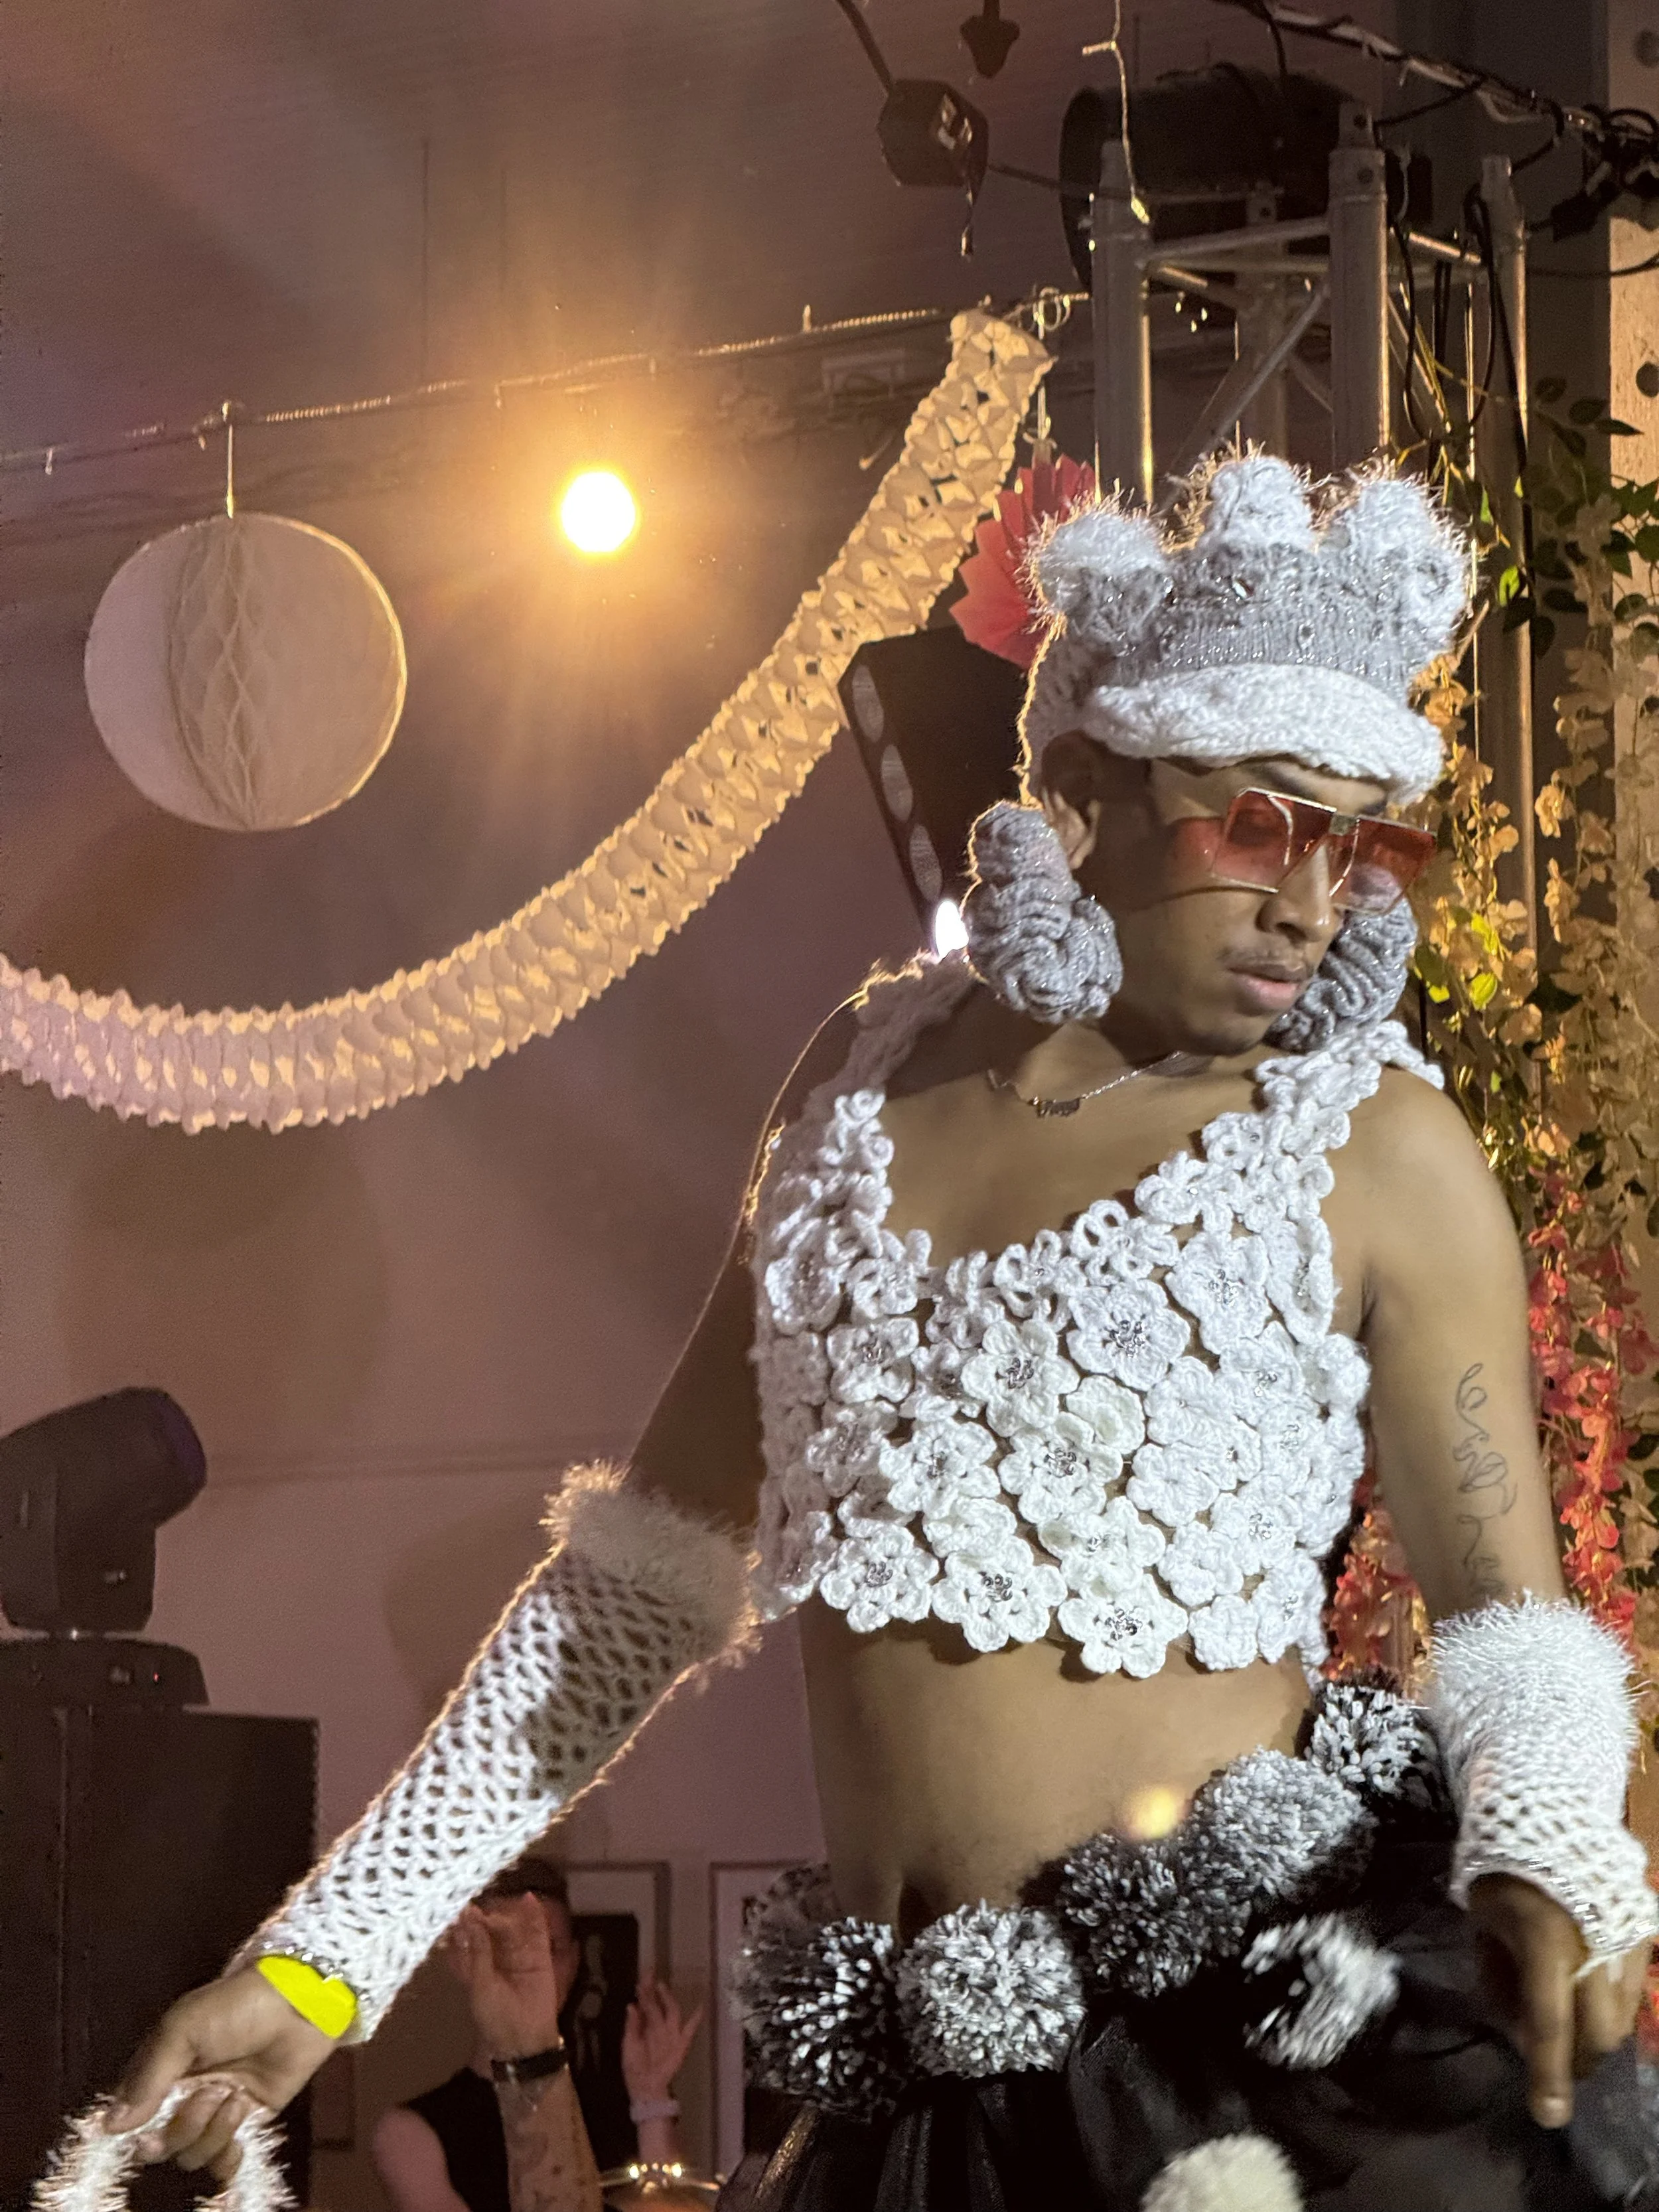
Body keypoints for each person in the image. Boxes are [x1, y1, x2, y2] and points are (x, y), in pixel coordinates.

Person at [107, 456, 1659, 2211]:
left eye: (1360, 839)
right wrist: (326, 1960)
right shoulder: (853, 1090)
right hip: (914, 2115)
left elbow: (1513, 1629)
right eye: (1256, 821)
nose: (1312, 899)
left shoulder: (1377, 1145)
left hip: (1248, 2076)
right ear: (1087, 784)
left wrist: (1544, 1851)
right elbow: (631, 1590)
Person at [372, 1858, 700, 2212]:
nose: (535, 1975)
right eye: (510, 1950)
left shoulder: (614, 2108)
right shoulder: (411, 2133)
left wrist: (652, 2098)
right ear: (464, 1961)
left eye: (551, 1951)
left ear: (574, 1961)